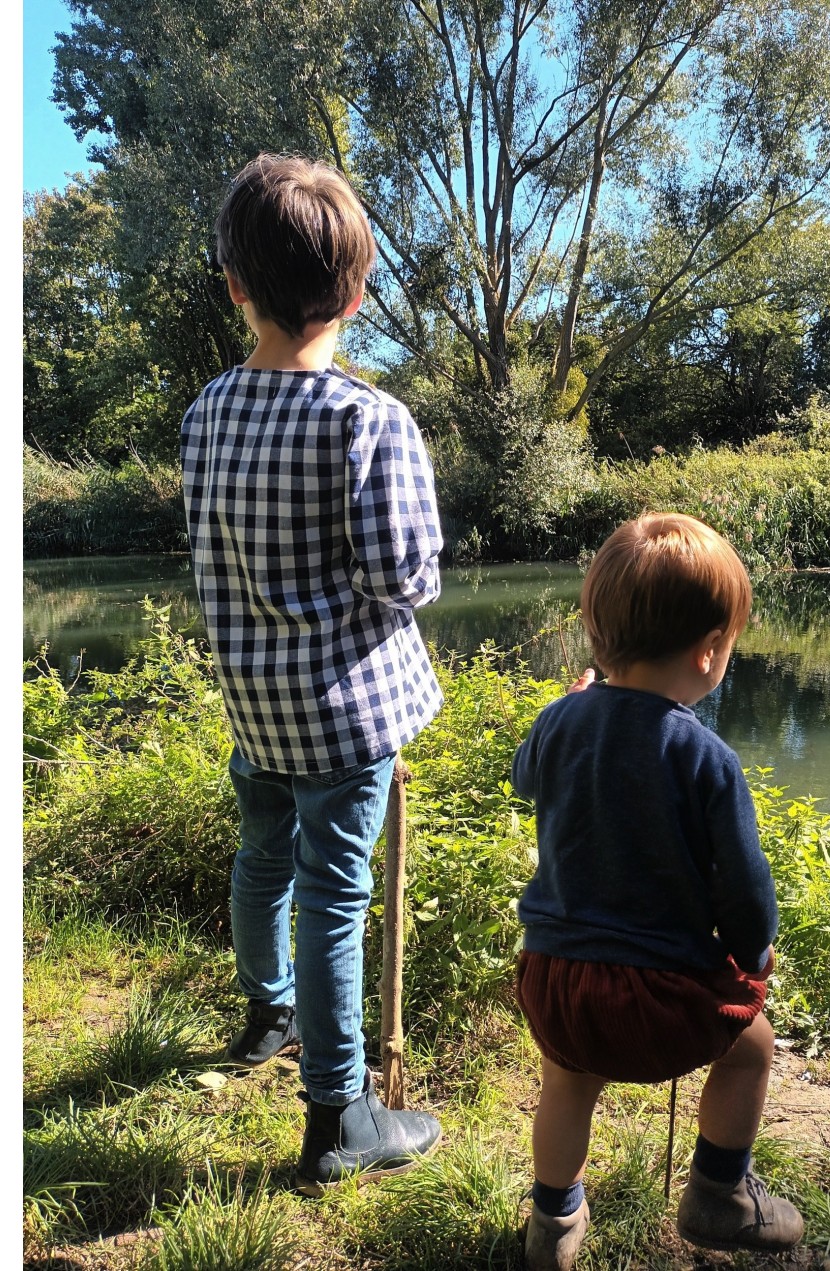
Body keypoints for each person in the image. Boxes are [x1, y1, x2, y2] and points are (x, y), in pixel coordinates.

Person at [181, 153, 444, 1194]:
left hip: (256, 706)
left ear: (235, 286)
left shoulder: (207, 410)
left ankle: (268, 1013)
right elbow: (404, 577)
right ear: (357, 293)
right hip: (343, 717)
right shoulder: (366, 419)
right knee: (335, 892)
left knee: (262, 855)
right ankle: (340, 1115)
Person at [511, 512, 804, 1269]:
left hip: (555, 984)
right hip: (654, 1000)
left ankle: (553, 1223)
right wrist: (754, 955)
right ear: (709, 652)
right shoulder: (706, 756)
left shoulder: (557, 722)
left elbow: (524, 777)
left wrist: (569, 706)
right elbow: (746, 890)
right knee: (751, 1049)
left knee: (567, 1081)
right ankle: (719, 1194)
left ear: (597, 635)